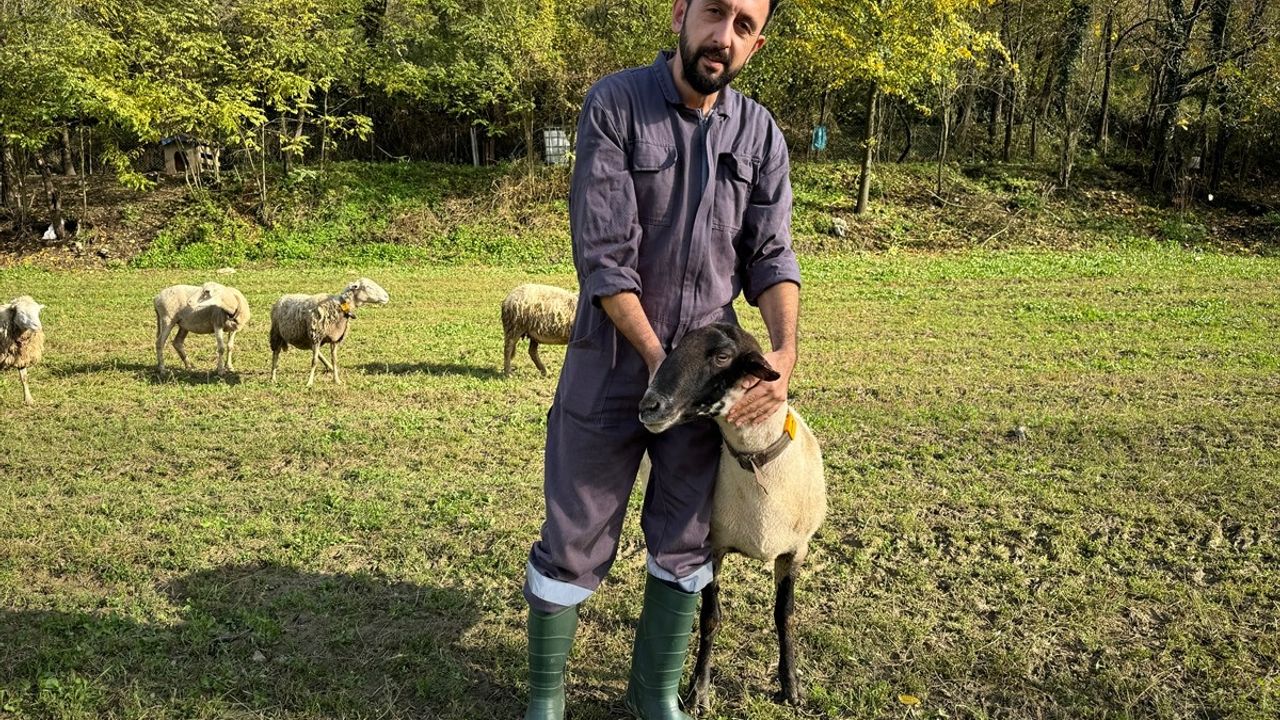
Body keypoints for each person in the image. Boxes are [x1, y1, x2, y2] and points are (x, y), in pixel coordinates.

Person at [522, 1, 798, 718]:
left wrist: (785, 352)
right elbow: (605, 257)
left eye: (744, 26)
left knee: (686, 535)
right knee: (573, 533)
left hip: (707, 373)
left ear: (757, 43)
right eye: (714, 13)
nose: (723, 35)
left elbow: (772, 257)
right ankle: (546, 702)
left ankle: (654, 700)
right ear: (681, 11)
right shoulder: (615, 105)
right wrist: (657, 362)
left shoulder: (761, 135)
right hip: (612, 358)